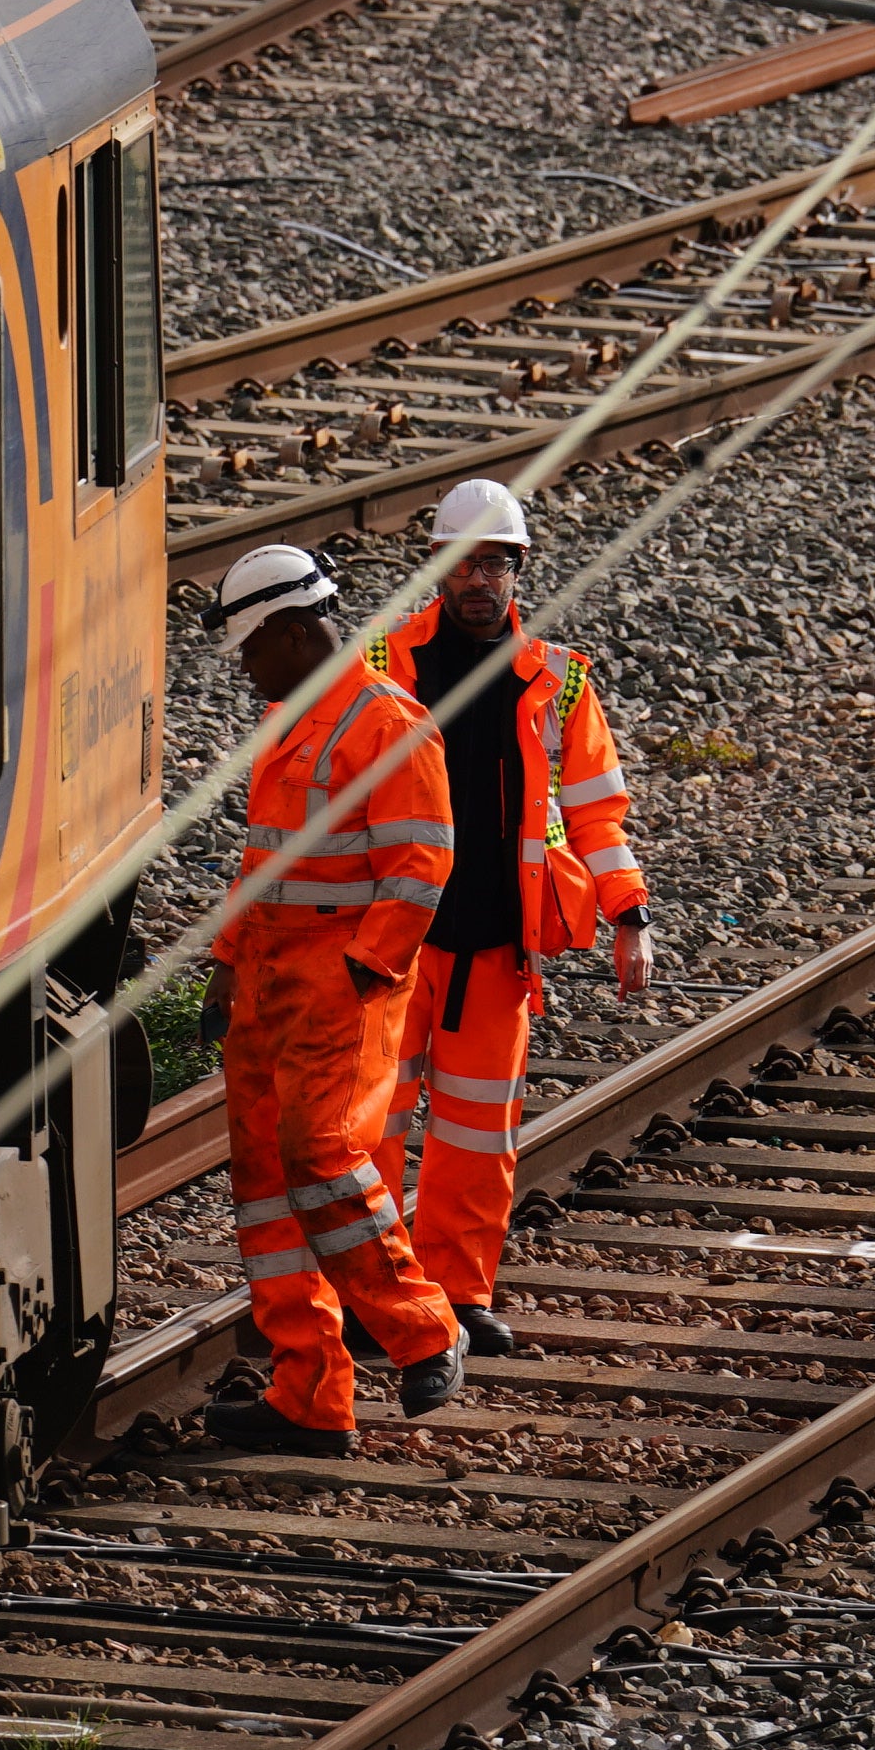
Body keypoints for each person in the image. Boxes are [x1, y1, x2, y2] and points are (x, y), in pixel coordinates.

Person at [364, 479, 653, 1359]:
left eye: (495, 560)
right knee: (372, 1131)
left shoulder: (559, 684)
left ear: (517, 569)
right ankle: (373, 1299)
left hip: (498, 949)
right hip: (390, 944)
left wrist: (630, 912)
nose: (478, 577)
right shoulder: (381, 661)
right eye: (463, 561)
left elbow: (598, 811)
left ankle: (457, 1297)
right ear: (438, 569)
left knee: (475, 1138)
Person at [200, 544, 467, 1458]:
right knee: (266, 1187)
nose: (246, 668)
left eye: (250, 648)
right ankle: (309, 1395)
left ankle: (425, 1331)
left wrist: (362, 972)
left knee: (320, 1155)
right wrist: (229, 961)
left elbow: (422, 863)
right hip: (274, 972)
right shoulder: (294, 724)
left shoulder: (386, 723)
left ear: (292, 630)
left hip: (335, 975)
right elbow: (264, 861)